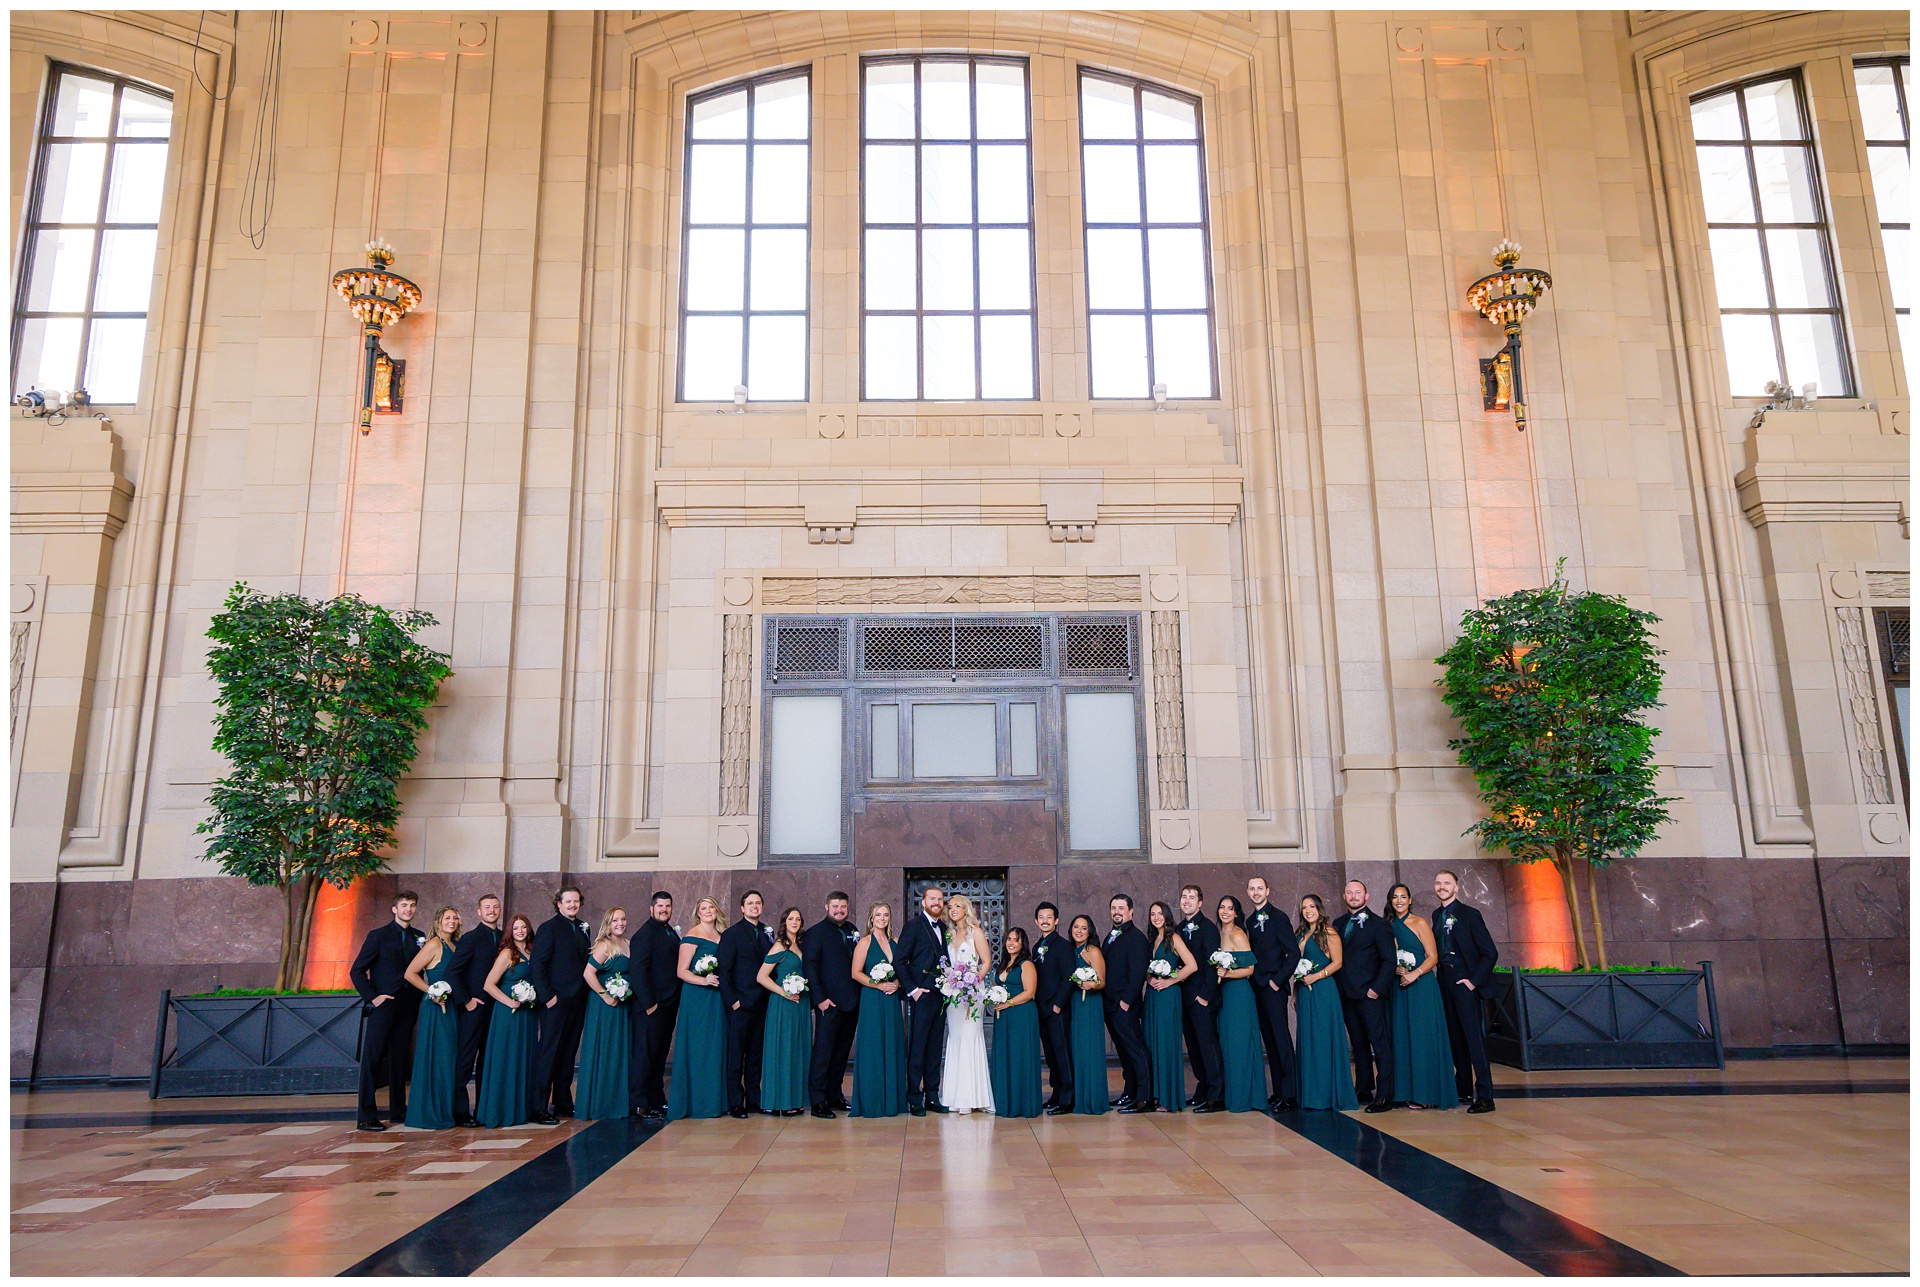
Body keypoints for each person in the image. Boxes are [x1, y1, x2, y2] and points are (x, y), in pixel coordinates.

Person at [351, 891, 426, 1131]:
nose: (408, 909)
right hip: (385, 1004)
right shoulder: (378, 936)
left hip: (408, 1004)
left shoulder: (420, 936)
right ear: (394, 909)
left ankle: (398, 1111)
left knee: (400, 1058)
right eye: (404, 905)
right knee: (372, 1059)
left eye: (412, 905)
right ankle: (365, 1116)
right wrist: (374, 997)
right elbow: (357, 971)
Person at [1385, 883, 1458, 1111]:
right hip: (1399, 987)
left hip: (1421, 986)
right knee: (1402, 1037)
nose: (1399, 901)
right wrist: (1396, 969)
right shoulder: (1388, 925)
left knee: (1422, 1037)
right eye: (1395, 897)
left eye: (1403, 897)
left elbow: (1433, 956)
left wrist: (1415, 973)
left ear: (1409, 901)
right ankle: (1405, 1091)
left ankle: (1427, 1092)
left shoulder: (1419, 923)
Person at [1432, 870, 1500, 1114]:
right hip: (1444, 981)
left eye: (1447, 883)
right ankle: (1463, 1089)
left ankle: (1485, 1096)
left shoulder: (1470, 914)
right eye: (1438, 883)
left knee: (1474, 1039)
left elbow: (1489, 952)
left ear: (1456, 887)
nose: (1442, 887)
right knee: (1455, 1039)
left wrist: (1473, 981)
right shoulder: (1436, 915)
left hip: (1465, 982)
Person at [1332, 880, 1396, 1113]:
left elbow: (1390, 960)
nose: (1353, 896)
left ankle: (1384, 1094)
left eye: (1357, 892)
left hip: (1370, 994)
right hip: (1347, 994)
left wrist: (1375, 990)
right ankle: (1363, 1088)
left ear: (1367, 896)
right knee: (1358, 1044)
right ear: (1344, 896)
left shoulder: (1379, 925)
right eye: (1349, 892)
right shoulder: (1338, 924)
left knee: (1379, 1045)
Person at [529, 886, 590, 1123]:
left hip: (577, 1001)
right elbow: (538, 965)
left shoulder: (584, 928)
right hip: (555, 1002)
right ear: (559, 904)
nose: (573, 905)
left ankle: (563, 1102)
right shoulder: (548, 928)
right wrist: (548, 997)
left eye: (576, 901)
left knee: (568, 1052)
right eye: (568, 901)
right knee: (549, 1052)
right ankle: (538, 1107)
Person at [1294, 895, 1358, 1111]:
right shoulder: (1301, 933)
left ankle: (1326, 1094)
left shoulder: (1328, 932)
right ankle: (1311, 1095)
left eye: (1312, 906)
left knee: (1323, 1039)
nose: (1308, 910)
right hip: (1304, 992)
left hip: (1322, 990)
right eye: (1304, 907)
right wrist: (1295, 992)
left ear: (1319, 909)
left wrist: (1317, 976)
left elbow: (1338, 962)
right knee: (1309, 1040)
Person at [401, 906, 463, 1129]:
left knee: (448, 1058)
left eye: (455, 918)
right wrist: (431, 992)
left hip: (453, 1007)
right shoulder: (434, 944)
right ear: (438, 921)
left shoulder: (455, 945)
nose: (452, 921)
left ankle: (446, 1109)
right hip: (437, 1008)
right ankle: (428, 1112)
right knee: (436, 1057)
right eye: (447, 918)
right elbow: (410, 973)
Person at [667, 896, 728, 1120]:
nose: (708, 910)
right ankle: (696, 1103)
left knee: (714, 1047)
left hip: (717, 997)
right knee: (697, 1046)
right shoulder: (692, 936)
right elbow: (681, 971)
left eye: (712, 907)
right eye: (704, 908)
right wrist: (704, 981)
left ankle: (714, 1102)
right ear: (698, 912)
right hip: (698, 997)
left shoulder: (722, 936)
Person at [476, 913, 538, 1128]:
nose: (520, 931)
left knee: (523, 1059)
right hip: (508, 1015)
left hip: (527, 1015)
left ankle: (520, 1109)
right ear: (510, 931)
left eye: (524, 927)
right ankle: (499, 1111)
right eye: (516, 928)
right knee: (506, 1059)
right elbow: (489, 985)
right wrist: (509, 1002)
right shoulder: (507, 953)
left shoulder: (531, 951)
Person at [1244, 876, 1301, 1112]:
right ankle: (1278, 1091)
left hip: (1273, 988)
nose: (1256, 892)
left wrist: (1278, 981)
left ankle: (1290, 1094)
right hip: (1256, 987)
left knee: (1281, 1040)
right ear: (1247, 892)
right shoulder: (1250, 920)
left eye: (1260, 888)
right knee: (1269, 1041)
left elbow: (1294, 954)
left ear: (1267, 890)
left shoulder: (1279, 917)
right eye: (1252, 889)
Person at [802, 891, 861, 1117]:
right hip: (828, 1003)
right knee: (823, 1053)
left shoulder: (852, 930)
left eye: (843, 906)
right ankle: (818, 1101)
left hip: (851, 1002)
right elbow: (811, 967)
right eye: (835, 906)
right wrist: (819, 999)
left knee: (841, 1053)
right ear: (827, 907)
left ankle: (835, 1095)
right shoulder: (816, 933)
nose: (839, 910)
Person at [717, 890, 774, 1119]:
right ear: (742, 908)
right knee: (736, 1055)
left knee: (755, 1055)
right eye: (750, 903)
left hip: (762, 1004)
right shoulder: (732, 934)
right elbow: (724, 970)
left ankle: (753, 1099)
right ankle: (735, 1102)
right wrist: (733, 1001)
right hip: (740, 1004)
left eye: (758, 903)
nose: (754, 906)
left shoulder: (767, 933)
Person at [448, 892, 503, 1128]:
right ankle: (460, 1112)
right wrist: (466, 1000)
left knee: (488, 1061)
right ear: (479, 912)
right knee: (466, 1059)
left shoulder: (504, 938)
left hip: (498, 1009)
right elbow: (452, 972)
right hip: (474, 1008)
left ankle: (484, 1109)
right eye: (487, 907)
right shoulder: (470, 938)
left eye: (495, 907)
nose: (491, 910)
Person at [575, 907, 634, 1120]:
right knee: (605, 1050)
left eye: (623, 919)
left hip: (623, 1005)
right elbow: (588, 973)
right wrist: (605, 995)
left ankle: (616, 1102)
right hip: (605, 1007)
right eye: (615, 920)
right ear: (608, 924)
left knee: (619, 1052)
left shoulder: (627, 944)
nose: (620, 923)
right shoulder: (604, 945)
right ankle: (600, 1104)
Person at [849, 901, 906, 1118]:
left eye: (886, 915)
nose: (882, 918)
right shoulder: (864, 942)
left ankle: (892, 1101)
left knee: (891, 1044)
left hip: (891, 1001)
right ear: (871, 918)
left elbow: (901, 970)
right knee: (873, 1046)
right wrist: (878, 984)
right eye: (878, 915)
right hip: (873, 999)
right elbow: (856, 973)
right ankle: (872, 1102)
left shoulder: (895, 942)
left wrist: (897, 983)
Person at [939, 894, 995, 1115]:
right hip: (953, 994)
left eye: (957, 906)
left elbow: (987, 960)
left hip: (973, 993)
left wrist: (975, 981)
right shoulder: (948, 934)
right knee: (956, 1038)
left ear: (966, 909)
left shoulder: (975, 932)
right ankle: (955, 1096)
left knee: (971, 1037)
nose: (953, 909)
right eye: (950, 906)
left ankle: (976, 1097)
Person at [898, 884, 949, 1116]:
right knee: (917, 1049)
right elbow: (899, 961)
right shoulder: (913, 926)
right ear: (924, 902)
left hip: (941, 997)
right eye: (932, 899)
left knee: (934, 1049)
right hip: (921, 996)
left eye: (940, 899)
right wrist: (913, 990)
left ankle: (932, 1096)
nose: (937, 902)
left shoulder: (944, 927)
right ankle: (914, 1099)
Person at [1214, 896, 1268, 1113]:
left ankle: (1245, 1097)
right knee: (1227, 1044)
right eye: (1222, 907)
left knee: (1240, 1045)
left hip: (1239, 994)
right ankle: (1232, 1094)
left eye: (1230, 908)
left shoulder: (1238, 934)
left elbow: (1250, 970)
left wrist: (1228, 972)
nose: (1225, 912)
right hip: (1224, 994)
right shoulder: (1219, 934)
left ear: (1236, 913)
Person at [1175, 885, 1225, 1113]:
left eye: (1191, 897)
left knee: (1208, 1046)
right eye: (1184, 897)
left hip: (1202, 999)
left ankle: (1217, 1094)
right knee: (1194, 1048)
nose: (1187, 901)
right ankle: (1203, 1088)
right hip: (1184, 999)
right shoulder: (1177, 929)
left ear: (1200, 902)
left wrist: (1204, 997)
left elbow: (1213, 964)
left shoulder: (1208, 929)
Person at [630, 891, 680, 1120]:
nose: (664, 909)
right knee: (645, 1054)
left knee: (659, 1054)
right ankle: (640, 1103)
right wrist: (649, 1004)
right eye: (660, 906)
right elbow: (638, 971)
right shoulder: (645, 934)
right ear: (651, 908)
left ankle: (656, 1098)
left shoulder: (668, 932)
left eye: (667, 906)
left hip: (667, 1005)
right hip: (650, 1007)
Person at [756, 908, 810, 1116]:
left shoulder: (801, 945)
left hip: (800, 1004)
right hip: (783, 1004)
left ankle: (794, 1099)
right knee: (783, 1049)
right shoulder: (779, 945)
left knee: (797, 1050)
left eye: (798, 918)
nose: (794, 922)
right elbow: (762, 976)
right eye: (790, 918)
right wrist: (783, 993)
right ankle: (778, 1100)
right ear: (784, 922)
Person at [1101, 895, 1153, 1113]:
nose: (1116, 911)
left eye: (1121, 908)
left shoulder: (1136, 938)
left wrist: (1126, 1002)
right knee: (1124, 1052)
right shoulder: (1111, 937)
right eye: (1113, 907)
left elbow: (1138, 973)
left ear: (1131, 911)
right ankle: (1130, 1092)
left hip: (1125, 1006)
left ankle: (1144, 1098)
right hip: (1110, 1005)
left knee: (1136, 1051)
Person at [1143, 901, 1195, 1113]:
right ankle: (1156, 1094)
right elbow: (1147, 968)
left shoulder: (1173, 938)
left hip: (1168, 995)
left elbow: (1192, 964)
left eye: (1159, 913)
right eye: (1152, 914)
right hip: (1153, 996)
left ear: (1167, 916)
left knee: (1166, 1044)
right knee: (1152, 1043)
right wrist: (1150, 978)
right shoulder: (1152, 939)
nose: (1156, 917)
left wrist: (1171, 980)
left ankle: (1169, 1098)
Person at [988, 926, 1043, 1118]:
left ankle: (1022, 1104)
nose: (1011, 943)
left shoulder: (1026, 964)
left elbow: (1030, 992)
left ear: (1022, 944)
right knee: (1006, 1056)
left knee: (1020, 1056)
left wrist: (1008, 1003)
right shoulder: (1002, 964)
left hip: (1021, 1015)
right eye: (1009, 939)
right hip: (1003, 1018)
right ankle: (1004, 1101)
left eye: (1015, 940)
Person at [1032, 902, 1075, 1115]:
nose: (1045, 920)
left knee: (1062, 1053)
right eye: (1041, 917)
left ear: (1056, 921)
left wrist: (1058, 1004)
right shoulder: (1036, 946)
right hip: (1041, 1010)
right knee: (1050, 1054)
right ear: (1036, 921)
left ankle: (1068, 1099)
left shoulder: (1064, 946)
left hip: (1057, 1010)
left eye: (1049, 917)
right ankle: (1056, 1094)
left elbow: (1069, 978)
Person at [1067, 915, 1108, 1115]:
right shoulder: (1069, 950)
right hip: (1074, 1003)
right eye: (1076, 927)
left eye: (1083, 928)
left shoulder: (1093, 951)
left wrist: (1091, 984)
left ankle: (1093, 1099)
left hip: (1089, 1004)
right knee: (1077, 1049)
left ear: (1089, 931)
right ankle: (1079, 1097)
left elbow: (1102, 981)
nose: (1079, 931)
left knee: (1090, 1049)